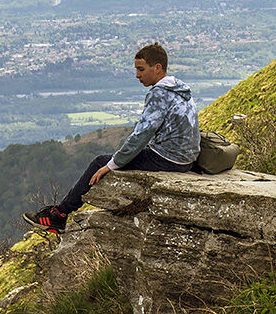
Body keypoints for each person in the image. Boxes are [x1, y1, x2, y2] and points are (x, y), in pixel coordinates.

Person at [22, 43, 200, 233]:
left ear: (157, 68)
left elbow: (141, 135)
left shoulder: (159, 94)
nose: (137, 75)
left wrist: (113, 164)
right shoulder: (179, 89)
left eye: (141, 69)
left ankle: (59, 215)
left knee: (100, 162)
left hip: (169, 158)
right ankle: (60, 213)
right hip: (187, 158)